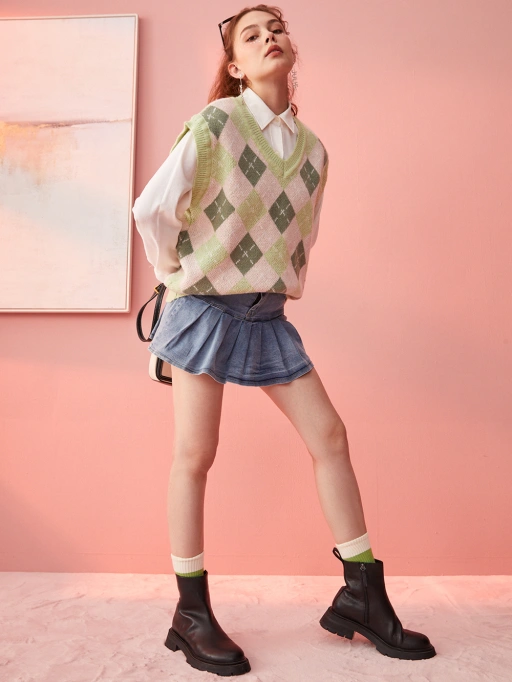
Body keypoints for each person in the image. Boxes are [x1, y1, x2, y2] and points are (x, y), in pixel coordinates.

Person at [132, 4, 436, 676]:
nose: (269, 37)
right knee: (195, 454)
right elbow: (152, 209)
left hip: (267, 314)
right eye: (252, 33)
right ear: (235, 66)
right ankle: (190, 614)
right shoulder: (215, 124)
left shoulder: (314, 151)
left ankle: (362, 595)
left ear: (290, 50)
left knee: (330, 436)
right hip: (203, 308)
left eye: (277, 28)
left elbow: (302, 237)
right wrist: (175, 274)